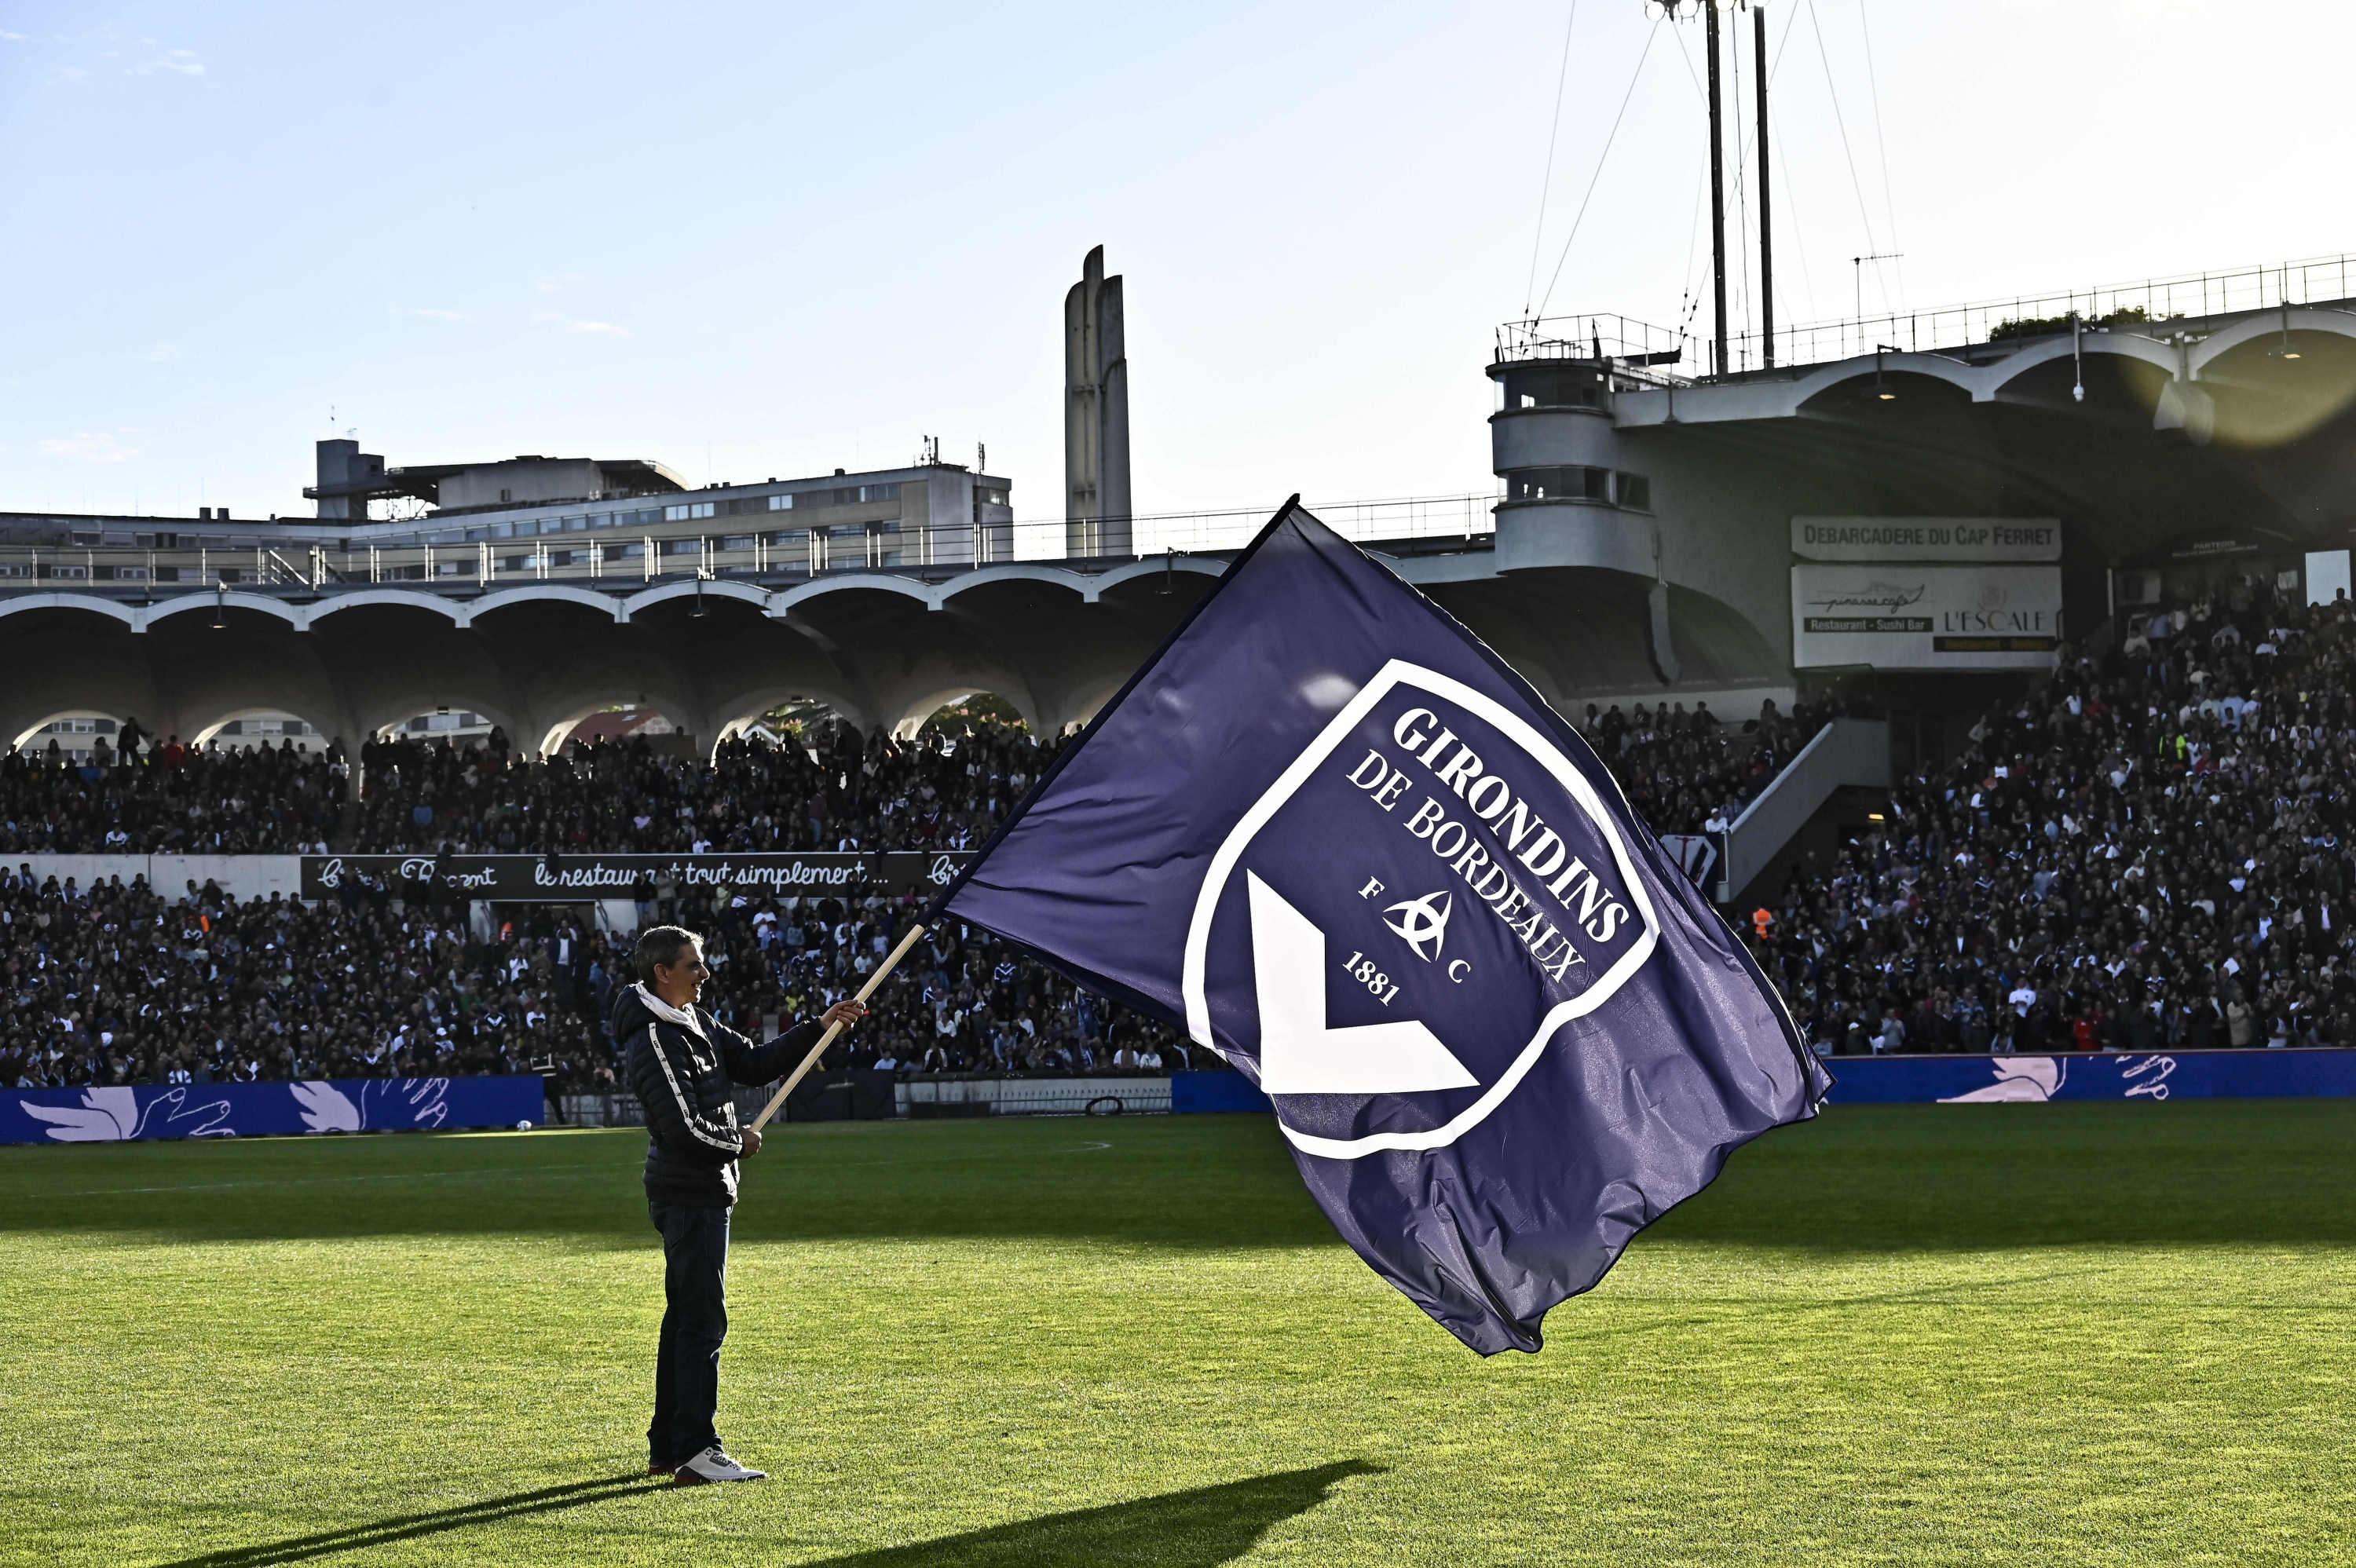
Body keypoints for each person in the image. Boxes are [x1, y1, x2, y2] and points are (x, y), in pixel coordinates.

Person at [617, 923, 866, 1486]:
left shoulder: (694, 1022)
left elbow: (753, 1062)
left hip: (703, 1189)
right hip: (690, 1193)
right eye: (693, 965)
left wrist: (820, 1025)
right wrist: (737, 1143)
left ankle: (670, 1445)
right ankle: (699, 1449)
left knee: (685, 1318)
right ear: (663, 972)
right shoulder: (656, 1038)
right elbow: (681, 1129)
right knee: (701, 1321)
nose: (704, 974)